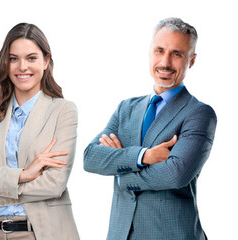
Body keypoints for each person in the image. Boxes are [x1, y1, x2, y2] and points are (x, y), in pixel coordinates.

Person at [83, 17, 216, 240]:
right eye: (159, 50)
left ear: (191, 61)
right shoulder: (126, 108)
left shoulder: (198, 113)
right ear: (150, 52)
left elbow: (175, 174)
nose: (165, 62)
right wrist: (145, 156)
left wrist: (120, 175)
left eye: (176, 54)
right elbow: (90, 157)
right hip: (120, 234)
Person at [0, 23, 79, 240]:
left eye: (31, 58)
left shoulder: (63, 111)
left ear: (46, 61)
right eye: (13, 59)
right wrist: (23, 175)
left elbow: (54, 184)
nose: (22, 67)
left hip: (39, 233)